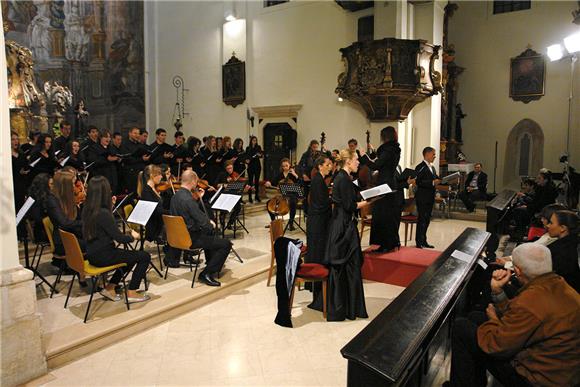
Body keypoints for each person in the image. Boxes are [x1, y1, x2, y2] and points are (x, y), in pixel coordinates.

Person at [447, 243, 580, 387]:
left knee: (461, 328)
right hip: (559, 369)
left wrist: (493, 319)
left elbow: (496, 346)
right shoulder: (560, 285)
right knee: (475, 317)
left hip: (536, 378)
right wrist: (497, 291)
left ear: (517, 270)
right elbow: (519, 316)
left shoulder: (531, 299)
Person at [82, 176, 151, 303]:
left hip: (93, 253)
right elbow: (120, 238)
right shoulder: (103, 213)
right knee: (144, 256)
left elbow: (105, 228)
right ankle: (132, 292)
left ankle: (110, 287)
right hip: (103, 256)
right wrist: (132, 236)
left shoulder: (87, 209)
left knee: (130, 258)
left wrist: (110, 207)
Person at [325, 149, 369, 321]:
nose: (359, 162)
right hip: (342, 226)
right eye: (356, 159)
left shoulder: (344, 178)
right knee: (347, 266)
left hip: (344, 223)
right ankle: (344, 308)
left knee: (351, 265)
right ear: (348, 161)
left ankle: (351, 307)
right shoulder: (342, 179)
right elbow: (349, 206)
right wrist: (366, 202)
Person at [169, 170, 231, 286]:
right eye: (196, 182)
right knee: (225, 243)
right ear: (193, 181)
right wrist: (211, 223)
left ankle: (211, 262)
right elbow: (204, 222)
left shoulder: (175, 196)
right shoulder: (188, 199)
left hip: (178, 238)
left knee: (209, 233)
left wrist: (197, 199)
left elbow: (188, 214)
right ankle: (207, 273)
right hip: (191, 239)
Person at [364, 126, 401, 252]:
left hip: (384, 185)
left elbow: (376, 165)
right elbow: (381, 158)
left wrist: (364, 157)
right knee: (389, 215)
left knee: (382, 215)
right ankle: (393, 242)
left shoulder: (388, 149)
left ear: (385, 136)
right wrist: (374, 152)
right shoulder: (394, 148)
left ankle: (385, 245)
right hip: (391, 183)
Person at [306, 155, 333, 311]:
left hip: (317, 221)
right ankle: (315, 285)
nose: (330, 166)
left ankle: (314, 285)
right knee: (316, 251)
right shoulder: (317, 180)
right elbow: (321, 203)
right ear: (320, 166)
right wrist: (333, 199)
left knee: (317, 250)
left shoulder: (319, 180)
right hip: (317, 223)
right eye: (328, 164)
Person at [46, 170, 84, 258]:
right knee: (98, 244)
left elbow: (77, 218)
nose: (75, 187)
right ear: (65, 186)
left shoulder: (66, 197)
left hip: (75, 235)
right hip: (64, 241)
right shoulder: (52, 200)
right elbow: (64, 223)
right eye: (73, 184)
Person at [546, 210, 580, 292]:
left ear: (562, 228)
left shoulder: (562, 251)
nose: (547, 225)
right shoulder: (574, 243)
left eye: (551, 223)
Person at [414, 147, 440, 249]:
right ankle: (418, 241)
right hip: (422, 197)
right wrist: (432, 182)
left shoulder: (432, 167)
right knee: (422, 219)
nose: (434, 156)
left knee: (427, 219)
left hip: (430, 197)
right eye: (433, 154)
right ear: (427, 154)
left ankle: (424, 240)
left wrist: (443, 180)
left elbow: (435, 178)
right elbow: (418, 182)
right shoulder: (420, 167)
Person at [264, 158, 299, 230]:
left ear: (290, 165)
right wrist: (269, 183)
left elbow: (300, 183)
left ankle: (291, 223)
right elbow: (273, 182)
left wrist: (295, 175)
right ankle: (274, 223)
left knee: (293, 203)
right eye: (283, 166)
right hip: (281, 195)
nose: (285, 167)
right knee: (268, 204)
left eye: (286, 165)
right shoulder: (280, 175)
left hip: (292, 195)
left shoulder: (293, 174)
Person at [137, 165, 168, 244]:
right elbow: (156, 211)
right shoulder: (146, 192)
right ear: (152, 176)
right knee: (178, 225)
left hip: (159, 220)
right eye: (159, 174)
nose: (161, 176)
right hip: (155, 226)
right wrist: (172, 212)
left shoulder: (153, 189)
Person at [121, 127, 150, 194]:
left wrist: (146, 158)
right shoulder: (124, 145)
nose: (137, 135)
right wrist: (141, 159)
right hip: (131, 175)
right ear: (130, 133)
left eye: (138, 133)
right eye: (135, 133)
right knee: (133, 194)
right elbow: (127, 160)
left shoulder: (140, 145)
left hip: (141, 173)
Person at [11, 131, 31, 212]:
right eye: (13, 139)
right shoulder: (6, 155)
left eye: (17, 139)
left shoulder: (21, 154)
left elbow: (26, 166)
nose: (16, 141)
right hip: (13, 185)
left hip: (22, 185)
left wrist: (26, 171)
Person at [246, 135, 263, 203]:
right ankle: (250, 197)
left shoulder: (258, 147)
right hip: (250, 166)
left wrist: (260, 155)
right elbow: (247, 157)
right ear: (251, 141)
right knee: (250, 182)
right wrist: (247, 160)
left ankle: (256, 196)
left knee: (256, 182)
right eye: (253, 140)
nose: (254, 142)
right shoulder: (248, 148)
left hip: (257, 166)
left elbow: (261, 155)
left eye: (255, 140)